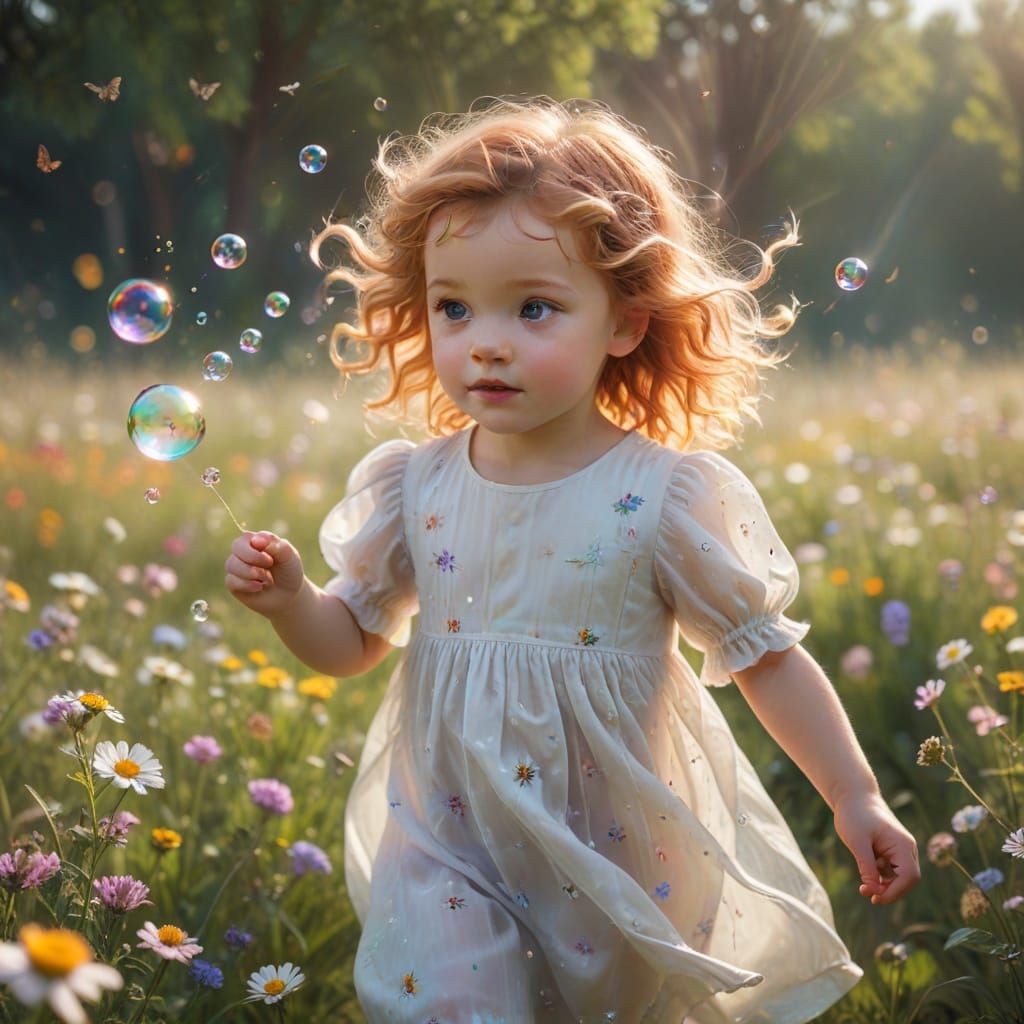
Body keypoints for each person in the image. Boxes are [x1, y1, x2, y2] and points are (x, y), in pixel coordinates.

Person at [225, 96, 919, 1023]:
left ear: (625, 323)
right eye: (455, 307)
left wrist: (855, 792)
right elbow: (352, 641)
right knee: (453, 1002)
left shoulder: (665, 498)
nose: (488, 341)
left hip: (608, 846)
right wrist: (291, 603)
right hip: (445, 835)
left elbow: (764, 656)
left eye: (536, 307)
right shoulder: (412, 486)